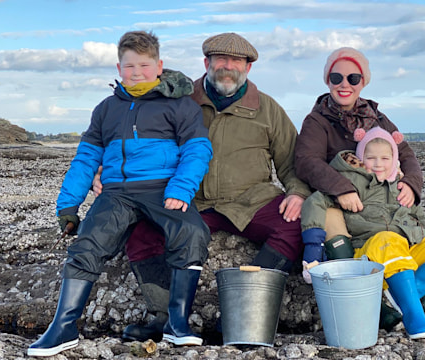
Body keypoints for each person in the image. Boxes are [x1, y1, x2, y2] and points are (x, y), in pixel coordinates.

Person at [92, 32, 311, 342]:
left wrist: (298, 192)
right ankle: (161, 315)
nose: (228, 67)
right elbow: (132, 138)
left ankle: (246, 307)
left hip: (250, 200)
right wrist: (104, 171)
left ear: (248, 68)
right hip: (189, 199)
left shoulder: (268, 108)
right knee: (141, 232)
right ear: (206, 63)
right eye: (220, 59)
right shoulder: (177, 100)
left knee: (295, 225)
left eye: (236, 61)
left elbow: (290, 162)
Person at [27, 30, 213, 357]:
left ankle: (177, 324)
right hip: (117, 193)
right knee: (88, 243)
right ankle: (63, 327)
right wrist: (68, 205)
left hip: (163, 188)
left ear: (159, 65)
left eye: (144, 65)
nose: (137, 72)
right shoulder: (106, 109)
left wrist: (181, 189)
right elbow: (86, 158)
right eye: (129, 66)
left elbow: (197, 150)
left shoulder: (180, 105)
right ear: (118, 67)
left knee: (192, 231)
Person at [294, 47, 425, 338]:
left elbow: (406, 154)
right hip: (342, 202)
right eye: (336, 77)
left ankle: (422, 307)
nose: (344, 83)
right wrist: (342, 187)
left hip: (382, 199)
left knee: (420, 232)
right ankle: (370, 300)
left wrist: (411, 183)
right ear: (327, 81)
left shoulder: (377, 118)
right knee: (346, 223)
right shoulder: (317, 121)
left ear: (363, 81)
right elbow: (306, 161)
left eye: (353, 77)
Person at [302, 126, 425, 339]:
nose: (378, 164)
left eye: (385, 158)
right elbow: (314, 202)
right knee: (389, 239)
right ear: (361, 158)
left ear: (394, 159)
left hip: (406, 253)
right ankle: (414, 316)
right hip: (371, 256)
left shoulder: (401, 186)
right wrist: (312, 248)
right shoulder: (350, 182)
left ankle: (406, 295)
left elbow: (418, 214)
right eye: (371, 158)